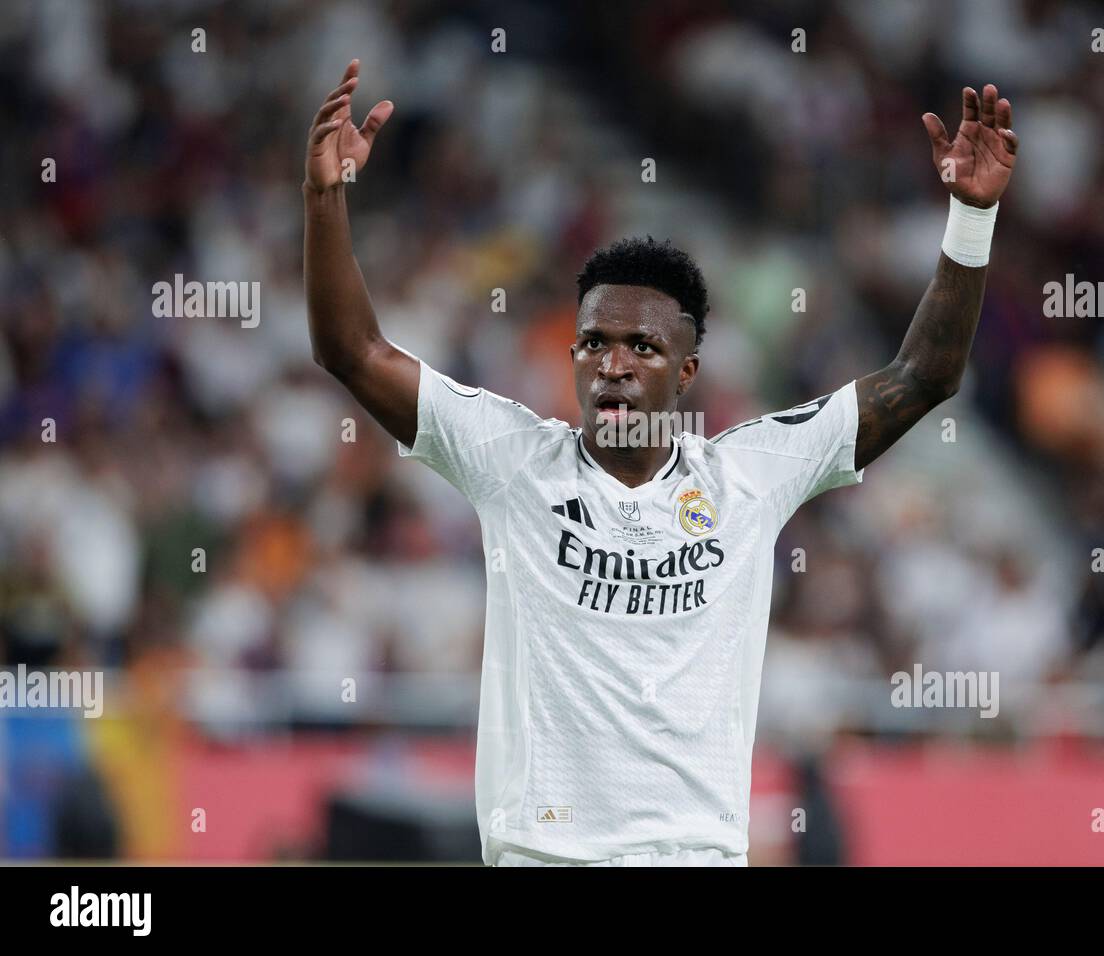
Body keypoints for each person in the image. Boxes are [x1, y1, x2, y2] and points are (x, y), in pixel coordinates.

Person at [303, 59, 1018, 866]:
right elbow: (352, 350)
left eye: (642, 346)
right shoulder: (512, 461)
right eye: (595, 344)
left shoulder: (750, 473)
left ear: (685, 372)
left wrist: (969, 219)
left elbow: (924, 376)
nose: (613, 364)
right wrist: (327, 198)